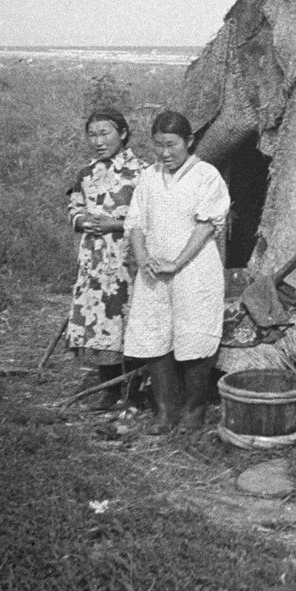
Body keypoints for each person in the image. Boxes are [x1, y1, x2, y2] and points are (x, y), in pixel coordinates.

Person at [124, 110, 231, 434]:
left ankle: (193, 410)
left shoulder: (206, 175)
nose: (165, 153)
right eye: (158, 145)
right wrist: (143, 258)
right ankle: (165, 411)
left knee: (195, 335)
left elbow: (206, 225)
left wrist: (177, 262)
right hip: (155, 271)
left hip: (194, 269)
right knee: (154, 336)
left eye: (172, 145)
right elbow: (136, 222)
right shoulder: (149, 176)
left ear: (189, 142)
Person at [66, 108, 148, 411]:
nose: (99, 141)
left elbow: (149, 216)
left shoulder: (142, 172)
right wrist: (81, 221)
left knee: (125, 318)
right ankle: (108, 389)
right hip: (94, 260)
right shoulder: (87, 172)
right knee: (98, 321)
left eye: (106, 133)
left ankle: (132, 388)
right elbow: (75, 205)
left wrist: (114, 225)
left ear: (123, 134)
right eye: (93, 134)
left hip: (126, 258)